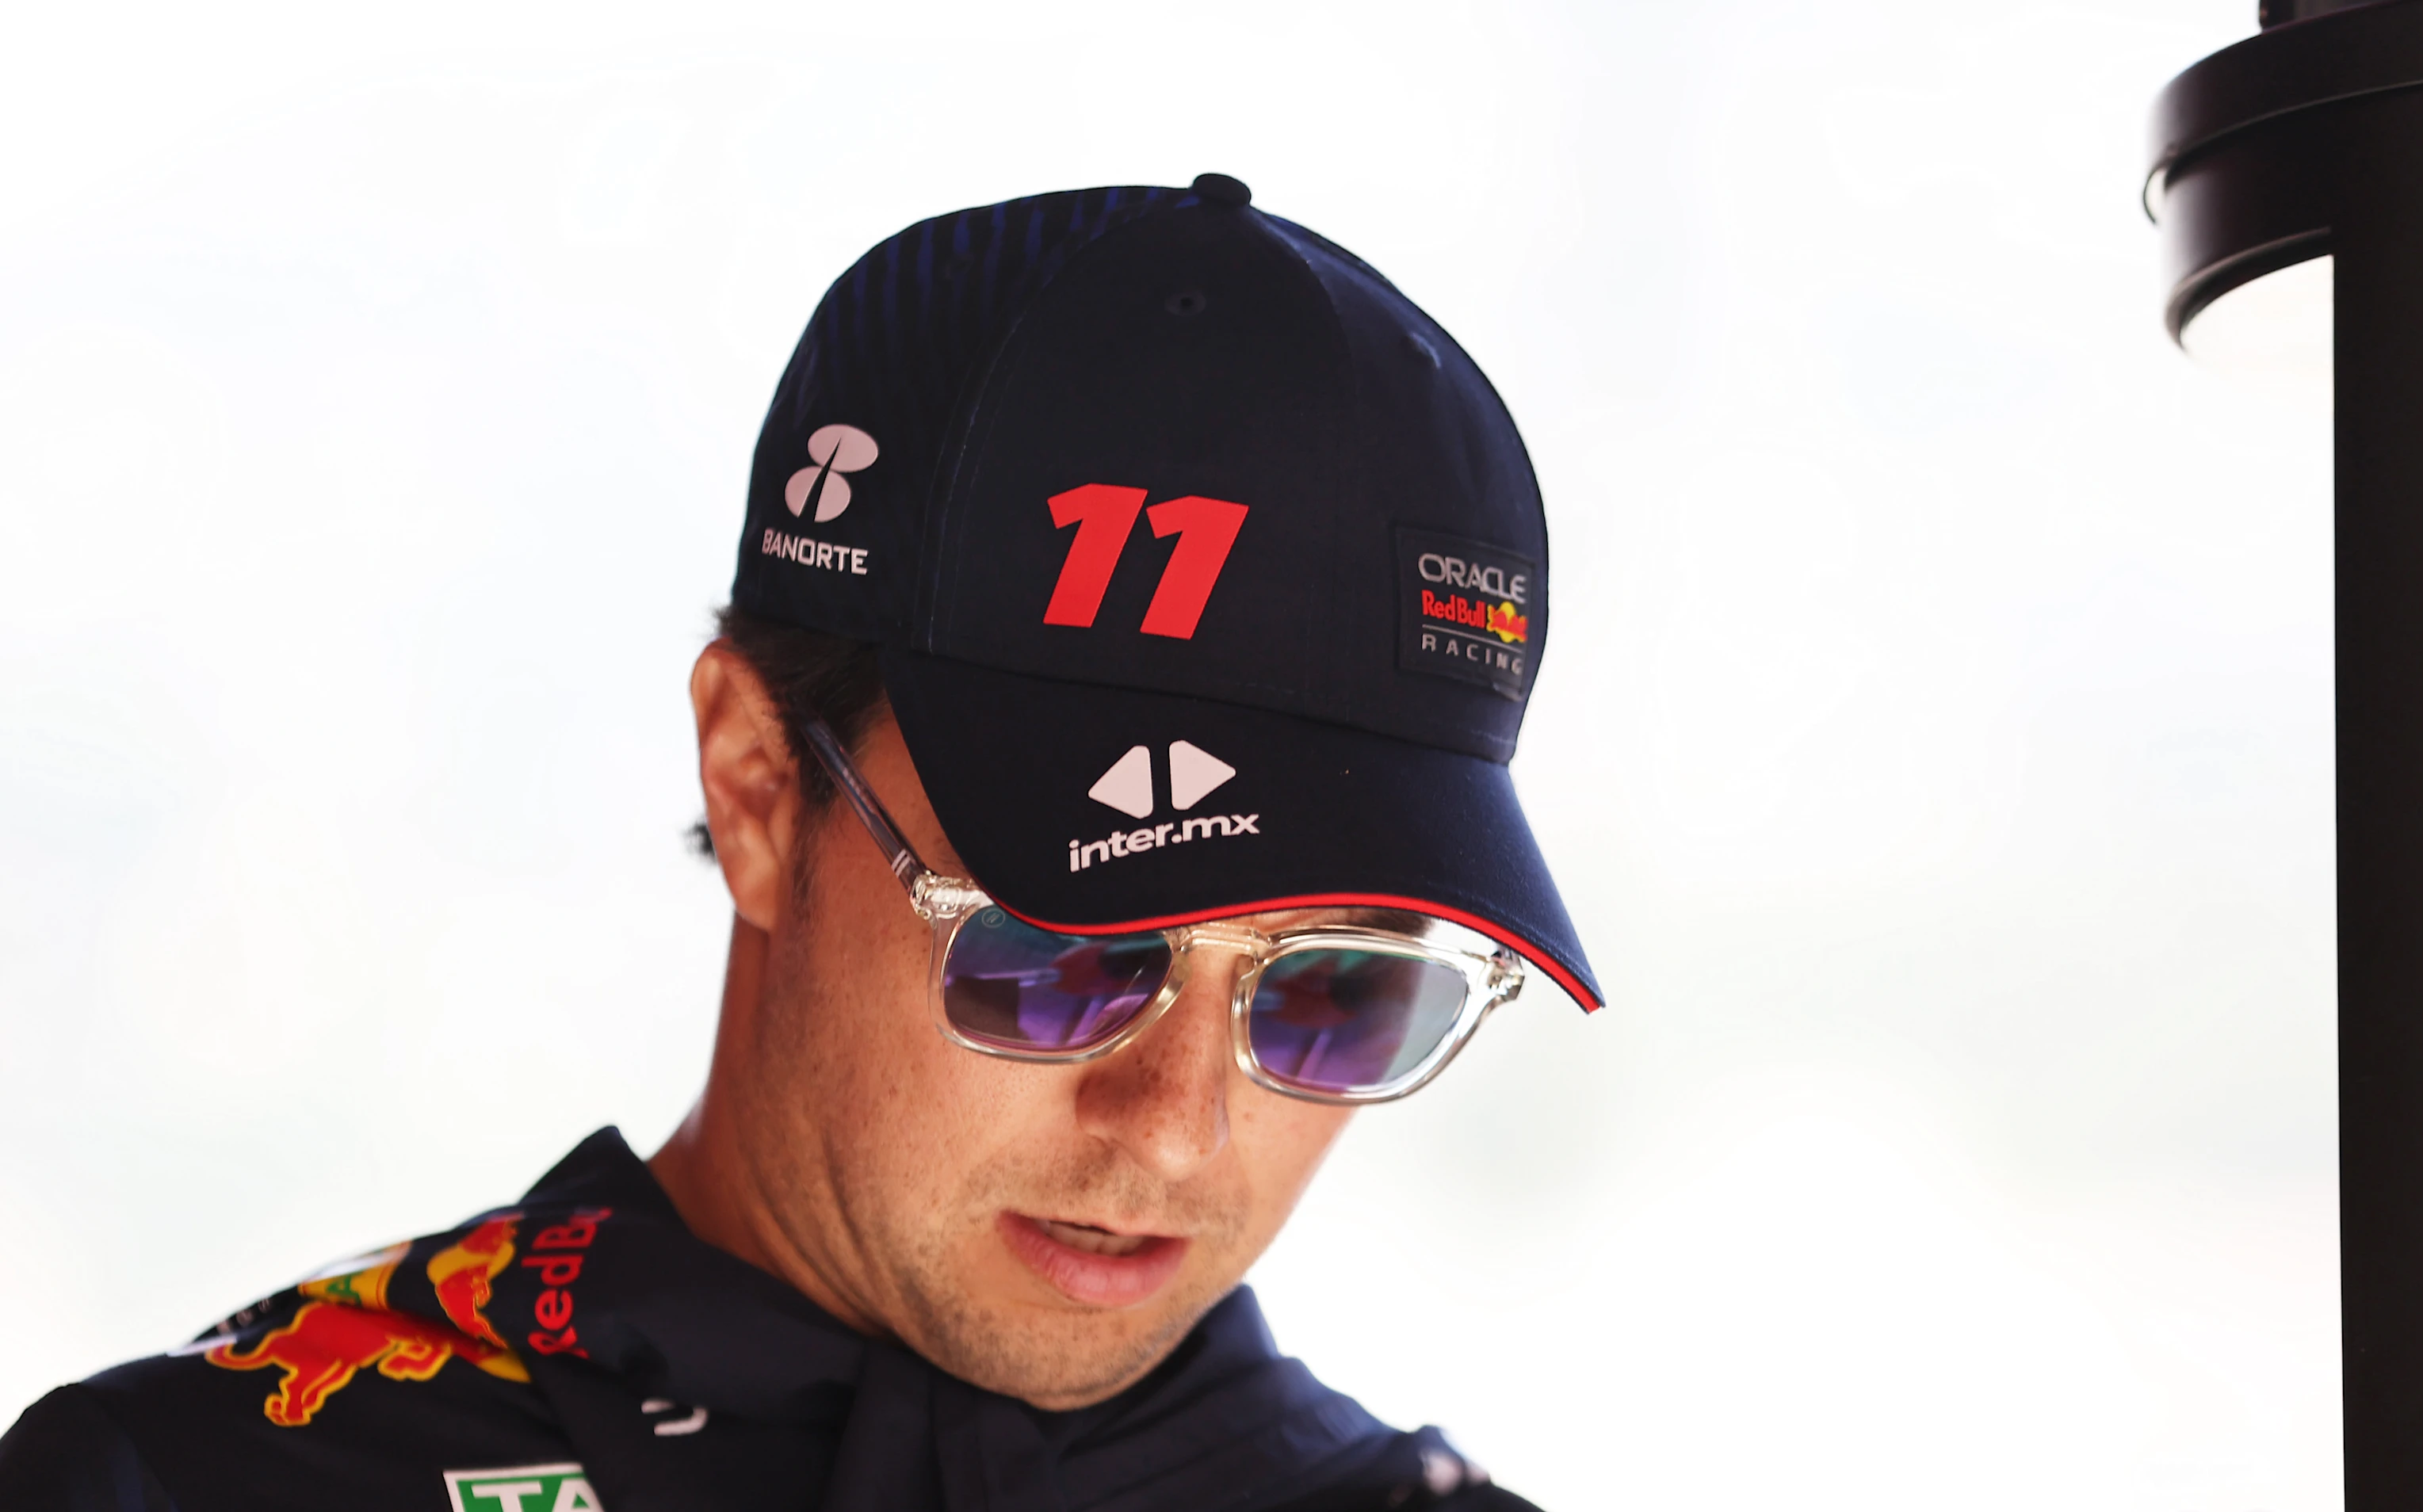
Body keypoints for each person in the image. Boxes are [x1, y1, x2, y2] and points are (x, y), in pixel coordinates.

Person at [0, 174, 1602, 1512]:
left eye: (1334, 992)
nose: (1177, 1133)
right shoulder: (200, 1485)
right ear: (759, 786)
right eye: (1062, 950)